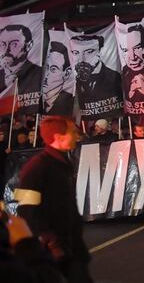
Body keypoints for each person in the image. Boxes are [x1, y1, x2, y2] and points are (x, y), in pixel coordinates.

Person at [15, 116, 92, 282]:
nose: (77, 136)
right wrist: (50, 243)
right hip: (55, 251)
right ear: (58, 137)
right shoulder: (37, 167)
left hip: (72, 244)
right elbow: (25, 208)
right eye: (73, 132)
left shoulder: (63, 162)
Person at [70, 34, 122, 111]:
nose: (81, 59)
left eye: (88, 52)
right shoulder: (74, 80)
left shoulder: (114, 76)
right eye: (76, 53)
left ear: (99, 52)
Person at [0, 24, 42, 102]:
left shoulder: (38, 73)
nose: (6, 50)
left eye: (14, 44)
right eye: (3, 44)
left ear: (29, 45)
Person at [41, 41, 74, 116]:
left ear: (67, 73)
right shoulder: (38, 99)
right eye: (47, 68)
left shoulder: (68, 102)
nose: (47, 75)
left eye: (53, 69)